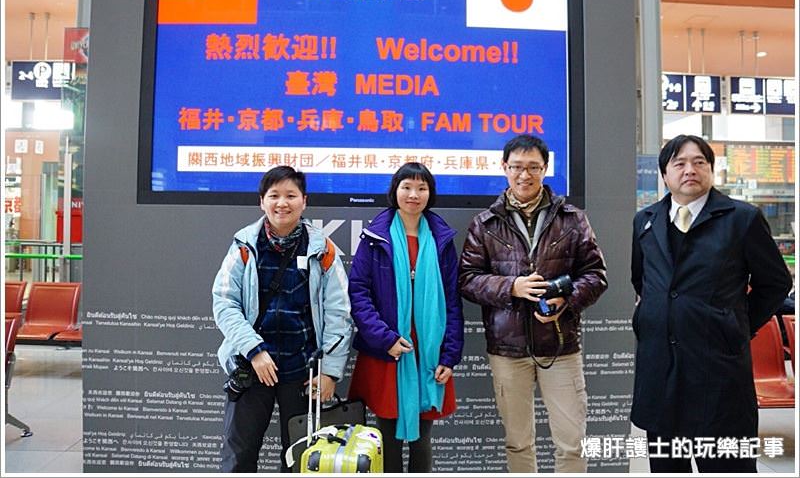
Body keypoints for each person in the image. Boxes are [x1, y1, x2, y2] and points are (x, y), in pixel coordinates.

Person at [630, 134, 793, 473]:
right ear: (664, 175)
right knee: (667, 466)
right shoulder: (645, 221)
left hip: (717, 370)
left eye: (699, 162)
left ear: (711, 170)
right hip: (661, 368)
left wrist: (734, 322)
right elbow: (642, 280)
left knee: (725, 465)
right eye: (679, 163)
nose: (690, 170)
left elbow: (776, 283)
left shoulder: (741, 219)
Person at [459, 134, 608, 473]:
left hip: (560, 345)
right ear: (503, 168)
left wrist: (566, 301)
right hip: (507, 351)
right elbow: (467, 279)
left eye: (532, 168)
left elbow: (596, 274)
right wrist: (512, 286)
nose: (524, 175)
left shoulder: (572, 218)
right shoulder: (485, 224)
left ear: (545, 169)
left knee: (572, 442)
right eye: (516, 167)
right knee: (518, 441)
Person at [212, 166, 352, 472]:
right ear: (262, 201)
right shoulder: (244, 246)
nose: (282, 203)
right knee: (238, 456)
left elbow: (340, 314)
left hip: (302, 371)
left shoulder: (322, 249)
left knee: (301, 459)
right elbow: (224, 303)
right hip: (252, 367)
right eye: (274, 195)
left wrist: (329, 371)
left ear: (304, 201)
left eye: (291, 195)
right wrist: (254, 349)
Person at [348, 162, 464, 472]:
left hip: (428, 353)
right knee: (386, 437)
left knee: (423, 440)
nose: (414, 194)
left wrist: (449, 356)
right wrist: (385, 340)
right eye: (407, 187)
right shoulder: (375, 237)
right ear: (395, 191)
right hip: (389, 352)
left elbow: (452, 300)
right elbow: (359, 294)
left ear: (430, 193)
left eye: (421, 188)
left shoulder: (441, 240)